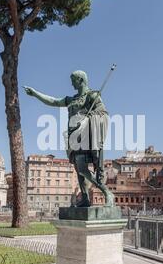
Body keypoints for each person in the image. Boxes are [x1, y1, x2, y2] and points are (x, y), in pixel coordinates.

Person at [24, 70, 114, 207]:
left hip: (85, 136)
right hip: (73, 137)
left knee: (82, 168)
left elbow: (103, 114)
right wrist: (36, 94)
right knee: (79, 169)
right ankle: (85, 198)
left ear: (81, 80)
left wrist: (88, 119)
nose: (71, 83)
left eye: (73, 80)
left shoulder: (92, 96)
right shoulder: (72, 99)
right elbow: (53, 101)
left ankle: (107, 192)